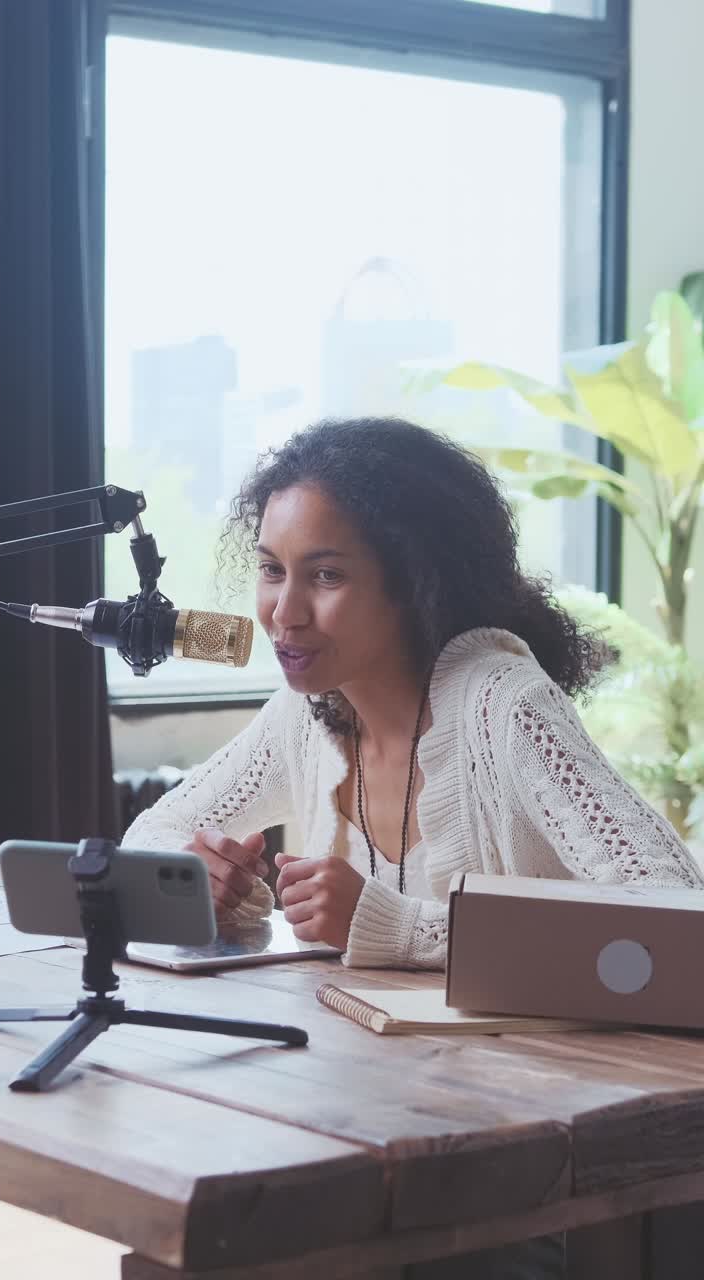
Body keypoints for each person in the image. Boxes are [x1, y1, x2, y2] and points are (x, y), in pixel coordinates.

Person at [123, 416, 702, 1280]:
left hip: (529, 1169)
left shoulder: (501, 704)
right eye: (273, 571)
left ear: (416, 582)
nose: (284, 611)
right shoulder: (309, 713)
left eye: (326, 576)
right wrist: (213, 885)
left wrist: (399, 927)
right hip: (368, 1123)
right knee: (176, 1252)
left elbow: (673, 919)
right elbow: (155, 833)